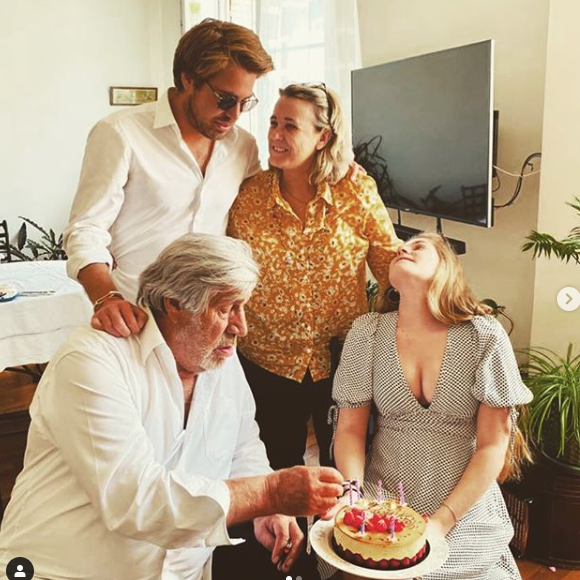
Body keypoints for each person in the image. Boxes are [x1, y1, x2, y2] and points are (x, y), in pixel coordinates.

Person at [0, 234, 344, 580]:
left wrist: (269, 509)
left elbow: (241, 445)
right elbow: (134, 501)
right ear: (174, 303)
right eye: (225, 309)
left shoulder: (219, 359)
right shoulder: (91, 361)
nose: (241, 327)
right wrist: (269, 493)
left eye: (243, 307)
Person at [325, 232, 533, 580]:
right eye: (400, 249)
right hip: (384, 502)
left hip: (463, 509)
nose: (402, 248)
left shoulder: (484, 335)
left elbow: (493, 445)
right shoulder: (368, 332)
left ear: (446, 268)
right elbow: (349, 429)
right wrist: (353, 498)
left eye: (418, 246)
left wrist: (443, 520)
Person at [227, 83, 400, 472]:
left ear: (323, 136)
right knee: (274, 470)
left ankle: (335, 536)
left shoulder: (355, 190)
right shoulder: (250, 196)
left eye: (290, 126)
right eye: (273, 122)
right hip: (266, 361)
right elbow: (228, 270)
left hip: (343, 360)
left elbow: (390, 267)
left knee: (345, 468)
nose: (275, 134)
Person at [63, 18, 274, 338]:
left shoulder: (243, 146)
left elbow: (260, 210)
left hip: (207, 327)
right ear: (188, 79)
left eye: (245, 102)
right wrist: (107, 299)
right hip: (134, 318)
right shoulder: (120, 134)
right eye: (225, 99)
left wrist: (335, 167)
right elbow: (86, 229)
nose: (234, 115)